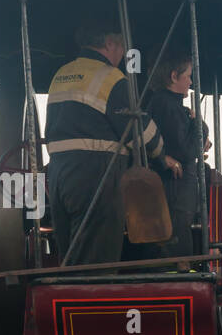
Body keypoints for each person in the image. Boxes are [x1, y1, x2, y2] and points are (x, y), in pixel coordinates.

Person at [45, 22, 177, 264]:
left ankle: (68, 297)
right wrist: (161, 155)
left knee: (71, 253)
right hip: (95, 174)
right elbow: (139, 131)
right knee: (98, 254)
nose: (122, 55)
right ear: (109, 43)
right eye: (122, 48)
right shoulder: (110, 78)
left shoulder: (61, 74)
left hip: (57, 174)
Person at [144, 49, 210, 259]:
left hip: (173, 186)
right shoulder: (168, 106)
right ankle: (177, 275)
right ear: (173, 76)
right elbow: (186, 149)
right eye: (188, 76)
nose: (191, 82)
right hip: (175, 186)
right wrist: (198, 124)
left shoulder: (167, 105)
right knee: (177, 235)